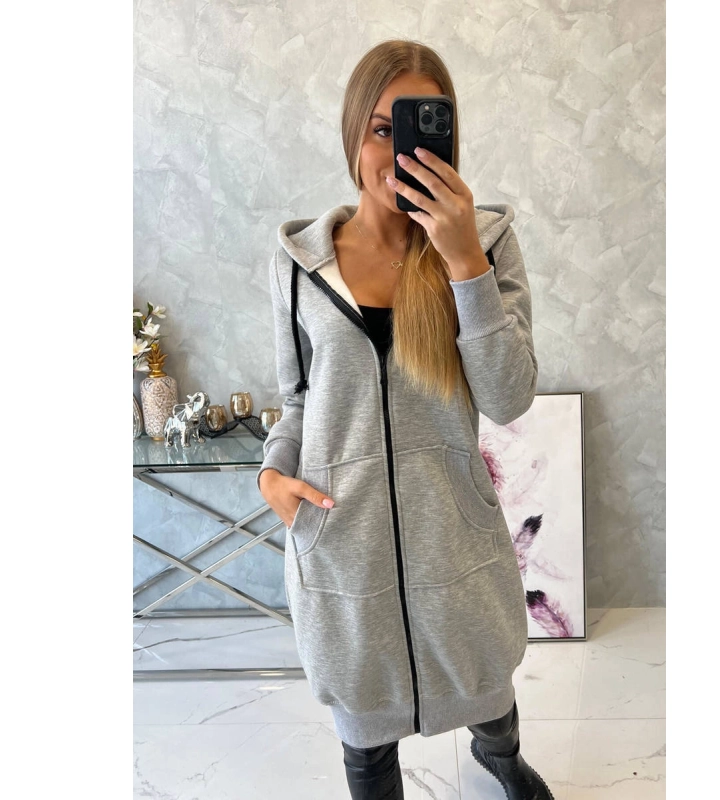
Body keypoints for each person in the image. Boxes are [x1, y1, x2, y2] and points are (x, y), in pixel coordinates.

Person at [257, 40, 554, 800]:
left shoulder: (486, 244)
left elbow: (508, 396)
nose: (398, 152)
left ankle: (502, 760)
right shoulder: (298, 264)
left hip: (452, 529)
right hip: (341, 537)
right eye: (382, 130)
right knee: (365, 730)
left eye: (419, 128)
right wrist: (272, 476)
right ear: (353, 134)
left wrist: (465, 264)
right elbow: (297, 399)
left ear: (448, 137)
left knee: (487, 689)